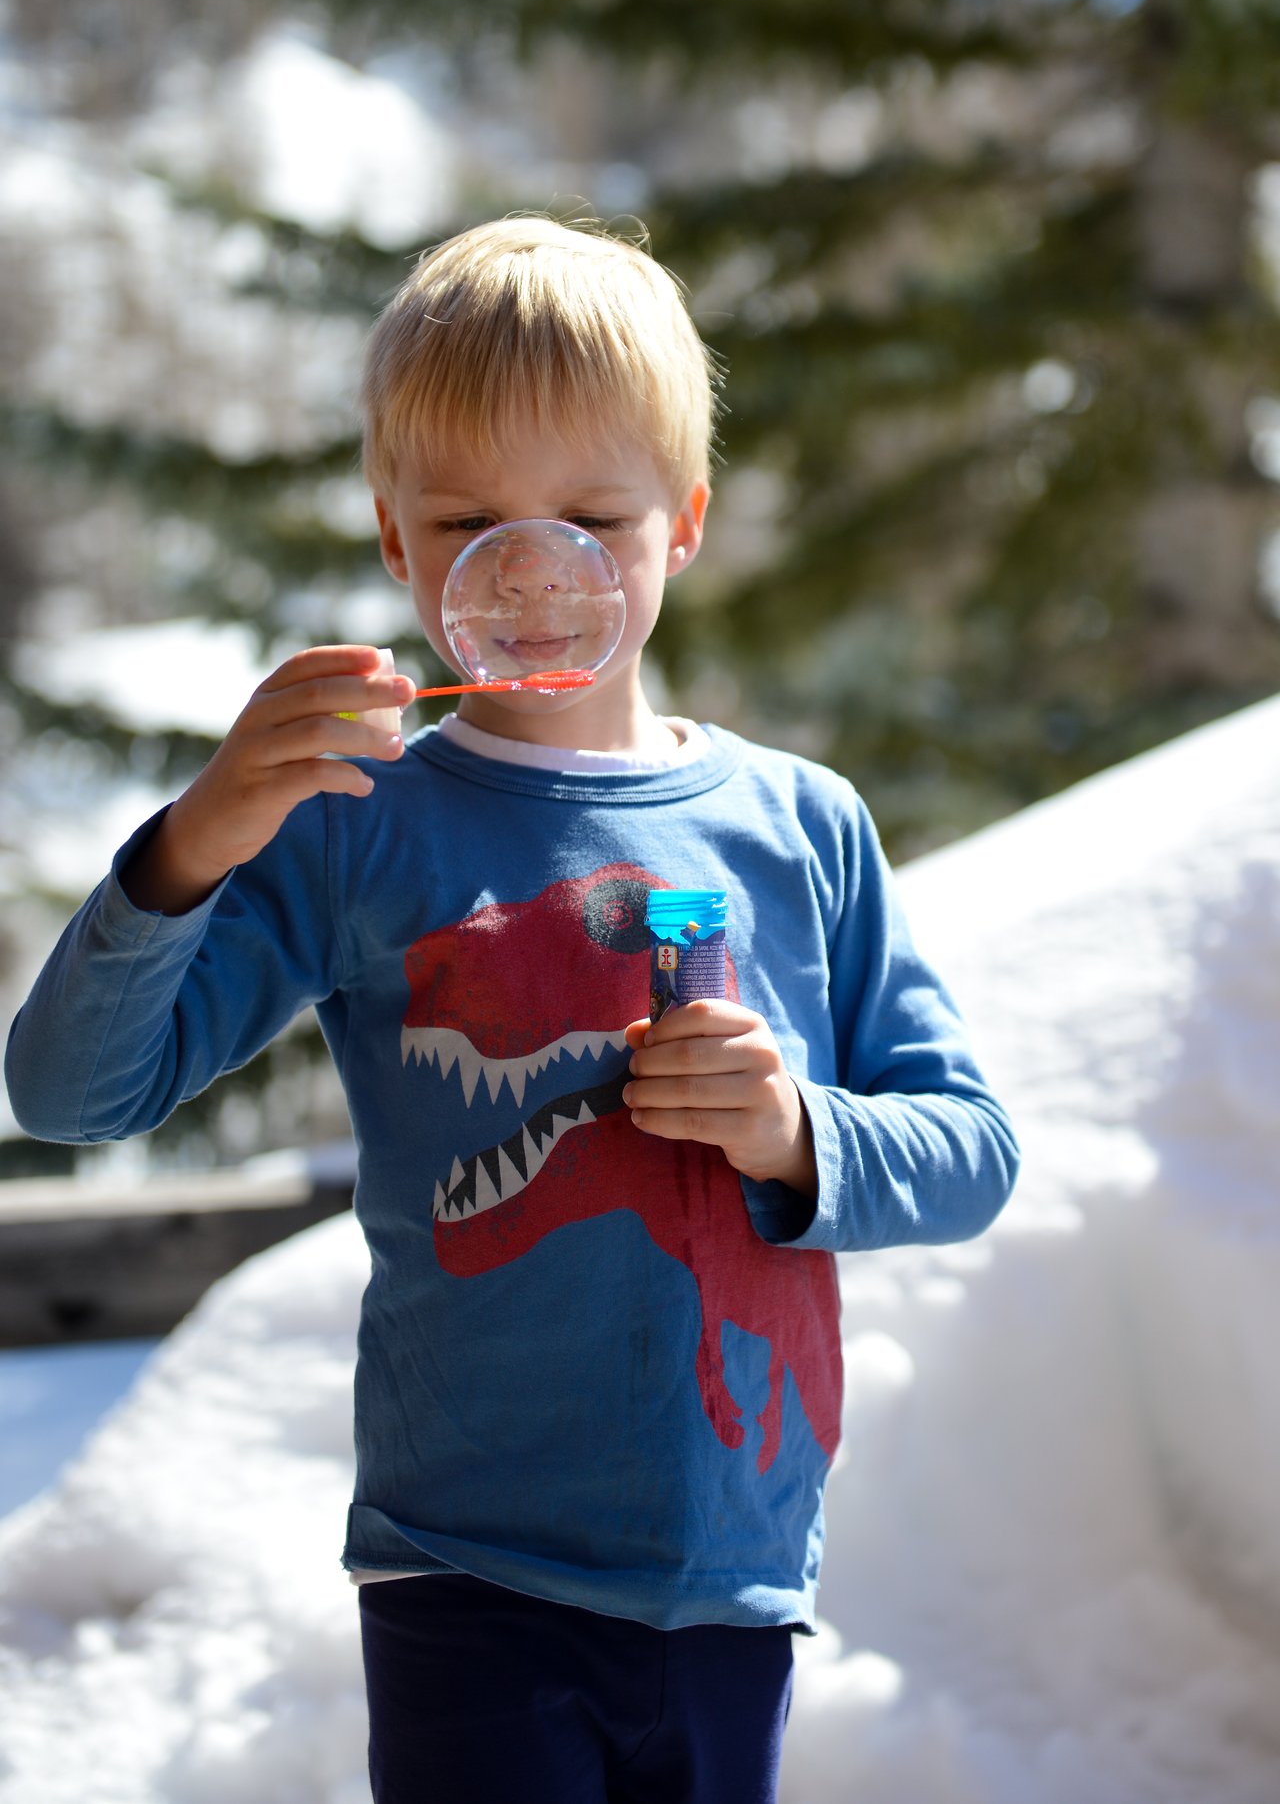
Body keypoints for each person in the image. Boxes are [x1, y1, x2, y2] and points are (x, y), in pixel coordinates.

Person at [5, 215, 1019, 1804]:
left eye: (594, 519)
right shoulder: (355, 821)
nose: (537, 575)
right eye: (473, 519)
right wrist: (199, 836)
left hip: (737, 1570)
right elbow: (68, 1096)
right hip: (464, 1568)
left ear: (683, 525)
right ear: (399, 546)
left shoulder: (801, 825)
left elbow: (974, 1149)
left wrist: (790, 1131)